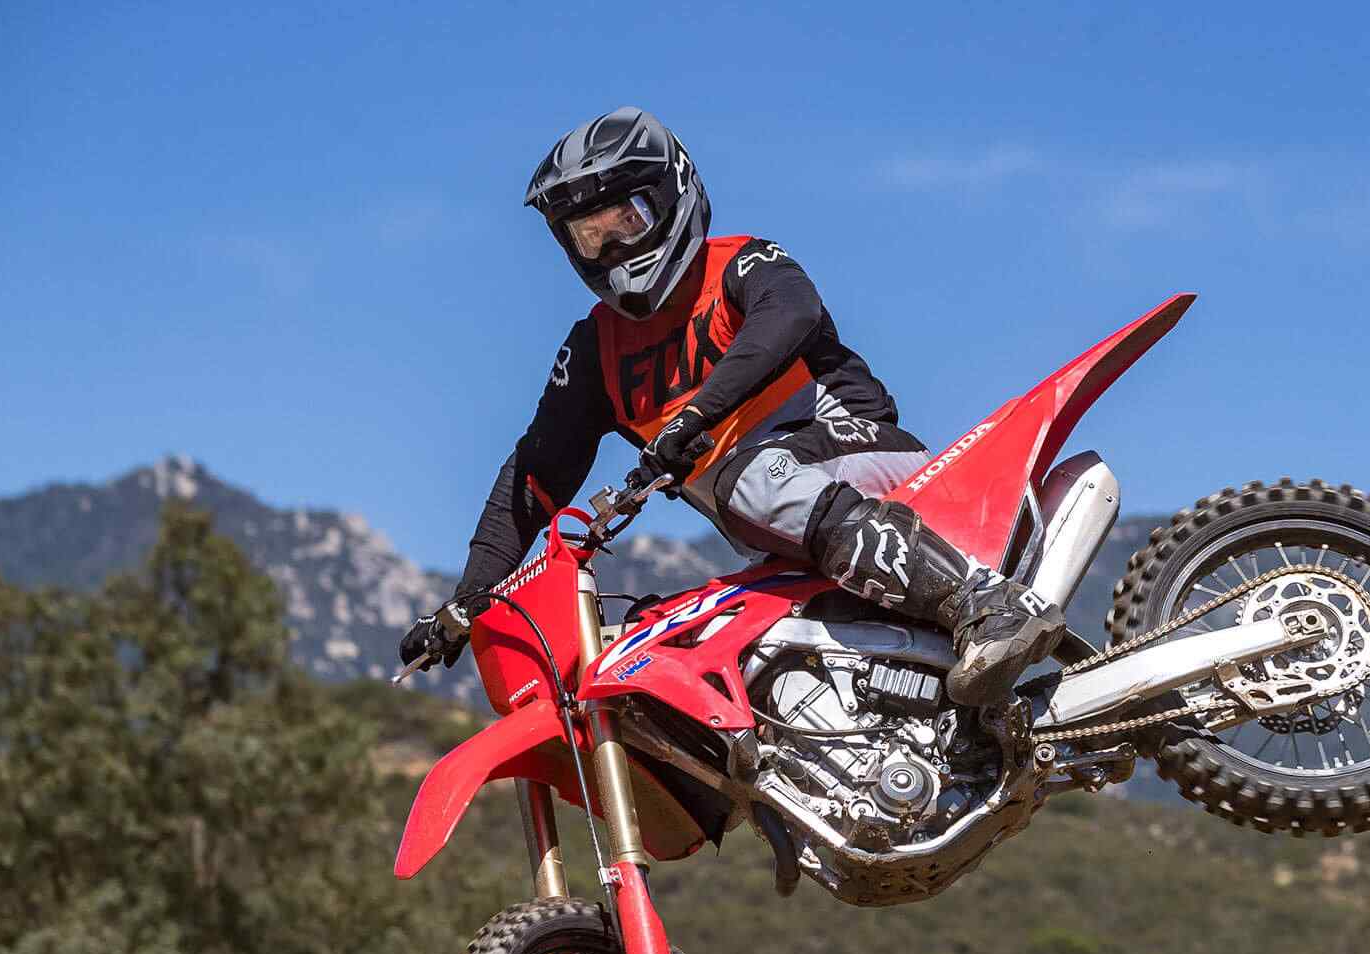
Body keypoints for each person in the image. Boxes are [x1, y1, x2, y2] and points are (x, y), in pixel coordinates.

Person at [398, 106, 1061, 705]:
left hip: (873, 462)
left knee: (753, 479)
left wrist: (696, 418)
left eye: (627, 220)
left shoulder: (745, 264)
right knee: (713, 647)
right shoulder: (596, 351)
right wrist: (467, 603)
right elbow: (532, 479)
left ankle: (987, 603)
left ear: (671, 195)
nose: (613, 250)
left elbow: (789, 317)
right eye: (589, 237)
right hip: (788, 535)